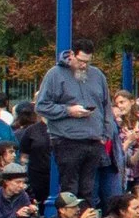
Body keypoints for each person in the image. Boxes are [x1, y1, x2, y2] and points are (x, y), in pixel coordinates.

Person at [35, 46, 113, 202]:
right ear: (71, 55)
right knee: (70, 189)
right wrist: (68, 110)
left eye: (87, 62)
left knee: (89, 190)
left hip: (94, 140)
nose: (84, 65)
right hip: (67, 140)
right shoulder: (55, 74)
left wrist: (105, 134)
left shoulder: (97, 75)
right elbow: (41, 106)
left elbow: (106, 106)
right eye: (81, 60)